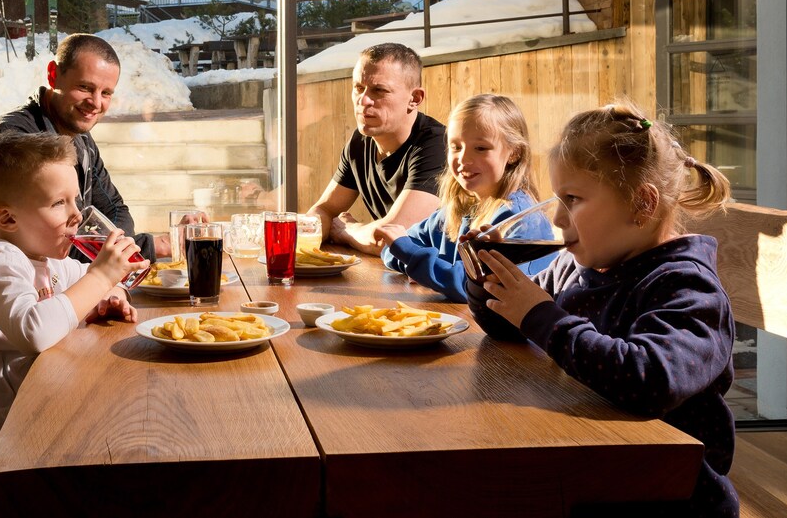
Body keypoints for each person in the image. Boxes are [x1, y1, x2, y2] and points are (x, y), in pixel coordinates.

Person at [471, 103, 737, 517]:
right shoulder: (576, 266)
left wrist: (543, 317)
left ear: (642, 205)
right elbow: (511, 326)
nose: (557, 217)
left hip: (664, 495)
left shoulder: (685, 287)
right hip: (581, 462)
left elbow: (651, 380)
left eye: (573, 199)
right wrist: (484, 277)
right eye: (557, 199)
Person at [0, 132, 145, 513]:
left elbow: (91, 283)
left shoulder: (53, 261)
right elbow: (34, 331)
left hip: (17, 434)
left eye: (77, 199)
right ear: (7, 218)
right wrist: (101, 280)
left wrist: (110, 298)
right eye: (59, 203)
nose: (77, 214)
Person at [0, 33, 166, 262]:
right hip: (0, 283)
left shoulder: (79, 136)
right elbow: (50, 242)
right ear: (53, 75)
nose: (95, 103)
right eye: (84, 87)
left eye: (106, 93)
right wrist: (151, 246)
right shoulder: (14, 140)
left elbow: (115, 210)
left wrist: (121, 248)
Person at [375, 93, 557, 301]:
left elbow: (479, 288)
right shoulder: (458, 208)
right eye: (456, 147)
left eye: (481, 148)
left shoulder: (521, 220)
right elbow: (392, 251)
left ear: (514, 153)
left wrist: (422, 265)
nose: (464, 159)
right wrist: (423, 268)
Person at [306, 43, 446, 255]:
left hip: (447, 282)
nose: (363, 101)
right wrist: (305, 231)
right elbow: (324, 210)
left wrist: (346, 230)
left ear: (414, 99)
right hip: (398, 276)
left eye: (379, 90)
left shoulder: (437, 145)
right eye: (358, 88)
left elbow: (393, 241)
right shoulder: (360, 141)